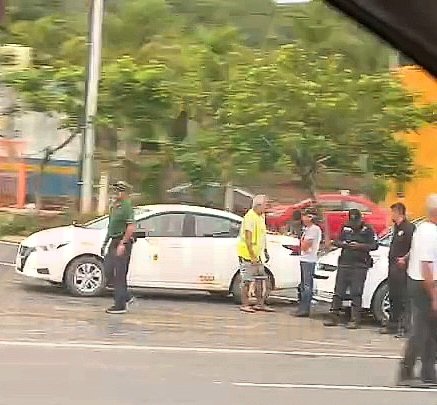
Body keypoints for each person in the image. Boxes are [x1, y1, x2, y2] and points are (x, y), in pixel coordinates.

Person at [398, 194, 437, 387]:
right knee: (420, 331)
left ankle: (429, 373)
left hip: (422, 282)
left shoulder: (424, 229)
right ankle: (406, 372)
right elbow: (427, 266)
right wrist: (434, 295)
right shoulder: (430, 233)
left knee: (431, 331)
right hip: (424, 284)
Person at [324, 209, 378, 329]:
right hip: (345, 263)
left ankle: (355, 319)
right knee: (338, 292)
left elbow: (374, 245)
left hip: (359, 265)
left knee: (356, 293)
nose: (354, 224)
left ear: (360, 219)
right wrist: (344, 244)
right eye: (352, 221)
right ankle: (333, 316)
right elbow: (337, 241)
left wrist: (360, 246)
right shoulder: (345, 227)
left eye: (356, 221)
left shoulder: (368, 229)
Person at [101, 181, 136, 314]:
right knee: (108, 270)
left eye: (119, 191)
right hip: (113, 240)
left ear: (124, 192)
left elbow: (131, 226)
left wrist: (123, 243)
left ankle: (120, 305)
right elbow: (110, 227)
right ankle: (126, 296)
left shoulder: (127, 206)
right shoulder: (115, 206)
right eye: (115, 191)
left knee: (120, 274)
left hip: (123, 241)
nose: (115, 193)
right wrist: (105, 243)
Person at [381, 202, 415, 336]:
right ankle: (393, 324)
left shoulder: (409, 228)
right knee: (393, 296)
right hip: (393, 267)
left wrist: (404, 259)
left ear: (399, 212)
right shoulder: (396, 228)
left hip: (403, 268)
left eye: (393, 212)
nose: (391, 215)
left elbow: (414, 247)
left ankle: (405, 327)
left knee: (403, 298)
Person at [237, 194, 274, 313]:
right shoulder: (250, 217)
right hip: (248, 255)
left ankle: (260, 304)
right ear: (258, 205)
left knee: (260, 279)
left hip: (258, 255)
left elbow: (262, 235)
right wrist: (252, 256)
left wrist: (265, 250)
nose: (267, 208)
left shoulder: (261, 216)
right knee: (247, 280)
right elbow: (248, 239)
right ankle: (245, 304)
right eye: (265, 205)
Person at [295, 208, 322, 317]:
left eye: (305, 216)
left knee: (307, 285)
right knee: (303, 284)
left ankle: (305, 309)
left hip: (309, 259)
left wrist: (302, 242)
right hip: (304, 259)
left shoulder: (313, 230)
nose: (303, 218)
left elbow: (305, 246)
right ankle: (302, 307)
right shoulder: (307, 229)